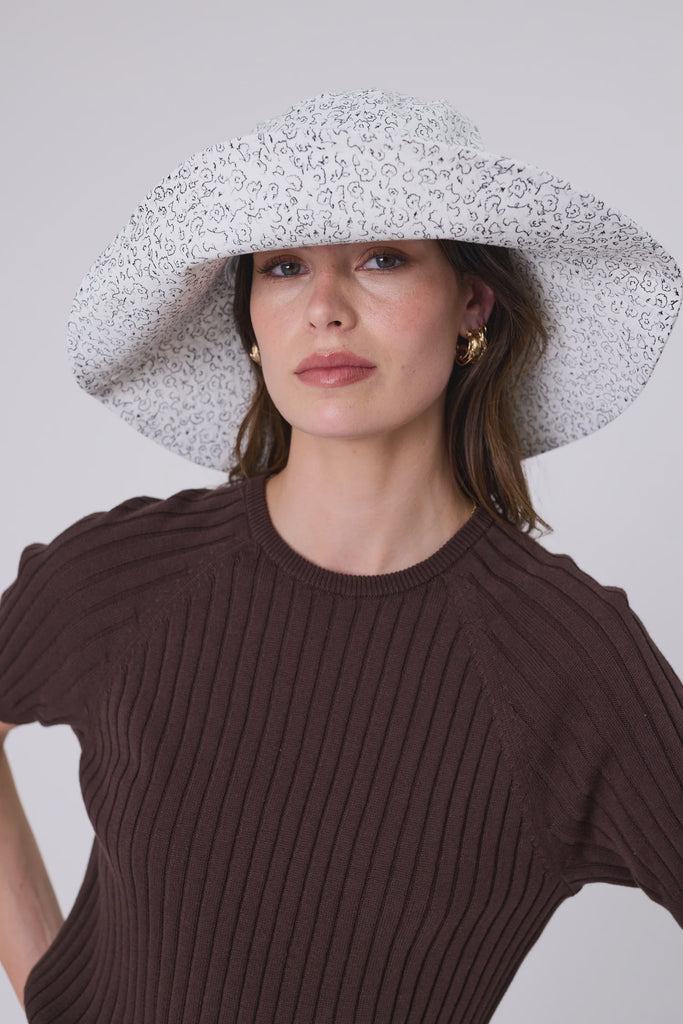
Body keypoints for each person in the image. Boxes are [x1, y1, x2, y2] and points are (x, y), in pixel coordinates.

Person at [0, 88, 681, 1024]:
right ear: (249, 316)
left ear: (470, 301)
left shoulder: (562, 654)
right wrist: (49, 984)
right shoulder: (128, 580)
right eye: (283, 266)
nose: (324, 307)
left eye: (382, 258)